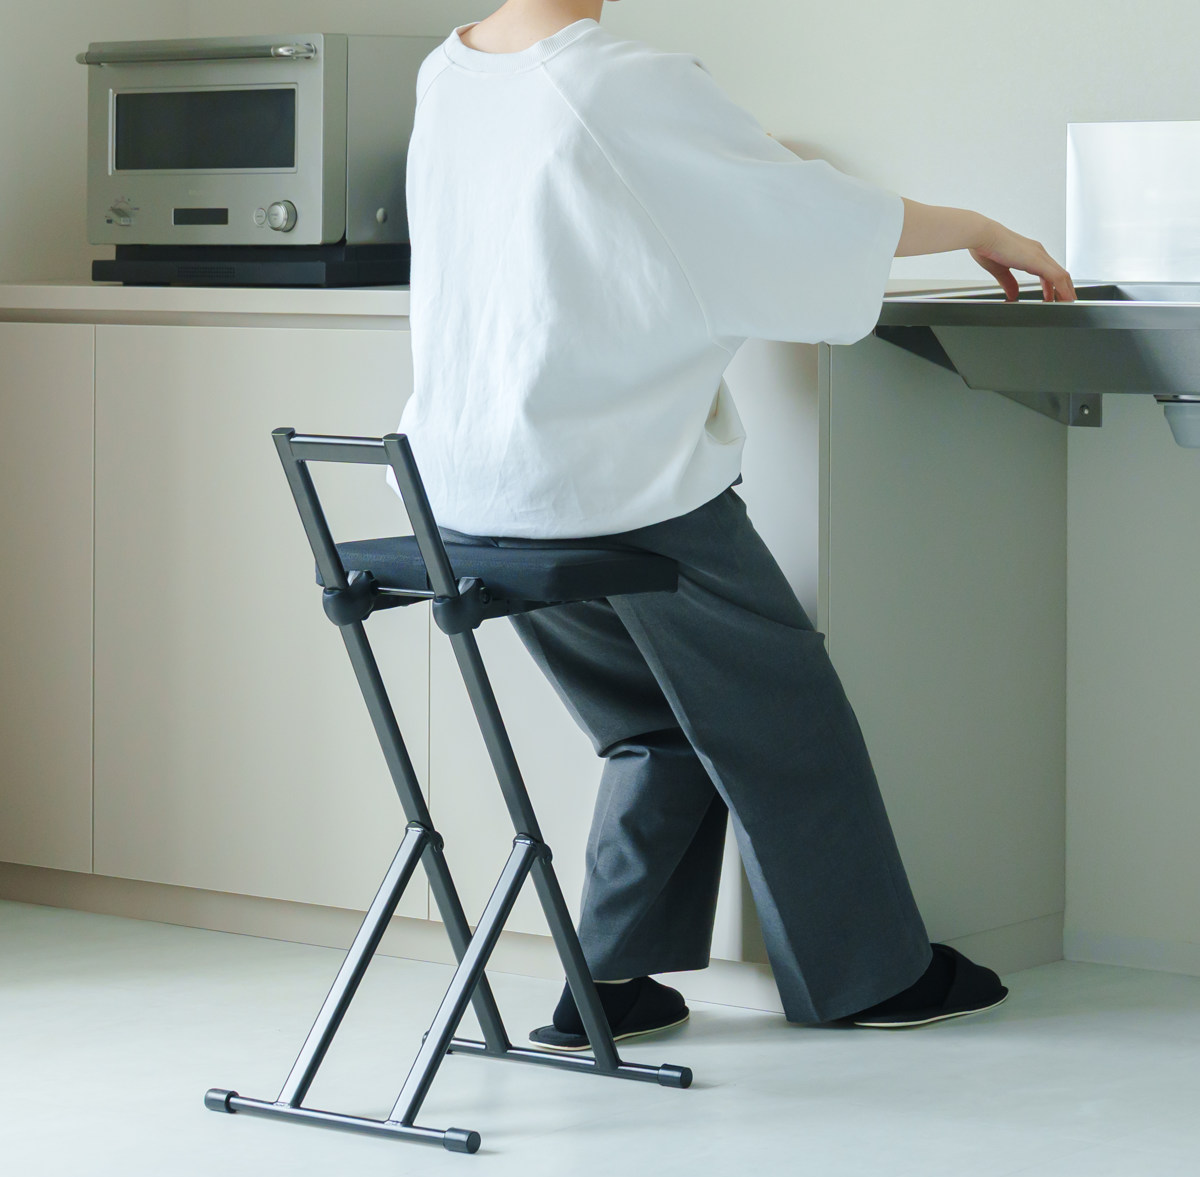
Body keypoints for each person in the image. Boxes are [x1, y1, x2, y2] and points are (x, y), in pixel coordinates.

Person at [394, 0, 1077, 1049]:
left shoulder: (450, 74)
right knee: (786, 720)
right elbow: (807, 215)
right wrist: (982, 228)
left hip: (472, 494)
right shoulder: (617, 78)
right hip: (614, 492)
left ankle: (607, 986)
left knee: (657, 728)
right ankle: (873, 976)